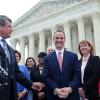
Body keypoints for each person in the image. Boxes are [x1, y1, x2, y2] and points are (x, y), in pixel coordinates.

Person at [0, 15, 44, 100]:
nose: (12, 29)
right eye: (9, 26)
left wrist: (31, 84)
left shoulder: (10, 50)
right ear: (0, 27)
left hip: (10, 95)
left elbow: (16, 73)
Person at [42, 31, 81, 100]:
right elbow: (46, 77)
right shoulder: (47, 58)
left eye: (61, 38)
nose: (59, 40)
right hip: (53, 96)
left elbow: (77, 75)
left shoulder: (73, 56)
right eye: (57, 38)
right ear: (53, 40)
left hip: (71, 96)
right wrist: (56, 89)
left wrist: (70, 88)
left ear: (65, 40)